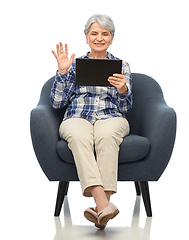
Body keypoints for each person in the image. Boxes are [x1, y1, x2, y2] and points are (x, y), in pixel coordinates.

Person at [50, 14, 133, 229]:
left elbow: (125, 108)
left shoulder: (122, 66)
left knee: (106, 135)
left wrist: (123, 89)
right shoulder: (74, 66)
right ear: (86, 37)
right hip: (77, 117)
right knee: (78, 136)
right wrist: (62, 71)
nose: (99, 38)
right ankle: (104, 204)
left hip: (111, 117)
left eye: (104, 34)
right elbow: (58, 103)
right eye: (94, 33)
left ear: (112, 38)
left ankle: (99, 208)